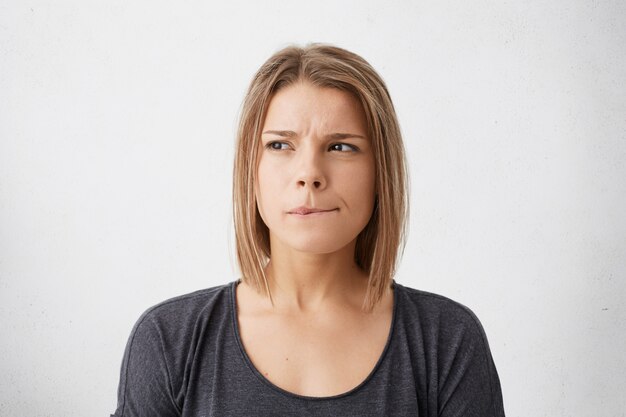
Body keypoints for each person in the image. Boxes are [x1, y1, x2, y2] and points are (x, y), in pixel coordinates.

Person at [110, 44, 506, 417]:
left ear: (380, 174)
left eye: (340, 147)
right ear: (252, 171)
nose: (309, 175)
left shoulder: (448, 341)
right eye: (280, 145)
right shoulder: (168, 340)